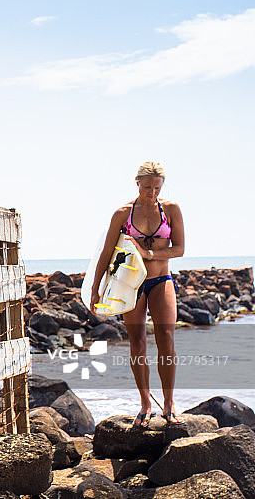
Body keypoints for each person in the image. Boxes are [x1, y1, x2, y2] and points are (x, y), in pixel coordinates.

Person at [90, 162, 185, 426]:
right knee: (137, 342)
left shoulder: (171, 209)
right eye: (147, 187)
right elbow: (106, 253)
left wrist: (149, 254)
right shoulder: (122, 214)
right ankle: (145, 403)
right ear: (137, 183)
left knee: (166, 337)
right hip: (130, 284)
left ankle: (169, 403)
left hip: (161, 279)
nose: (152, 192)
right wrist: (96, 289)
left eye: (157, 187)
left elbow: (179, 249)